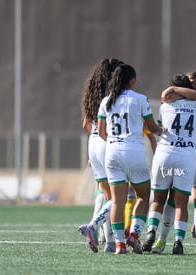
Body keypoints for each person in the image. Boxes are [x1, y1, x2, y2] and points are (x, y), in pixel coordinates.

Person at [143, 71, 196, 255]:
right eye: (193, 83)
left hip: (192, 153)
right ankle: (164, 241)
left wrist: (173, 90)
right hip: (187, 155)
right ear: (187, 84)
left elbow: (160, 123)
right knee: (175, 201)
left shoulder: (190, 100)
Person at [98, 64, 163, 254]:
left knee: (117, 201)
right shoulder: (140, 99)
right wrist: (162, 130)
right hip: (134, 152)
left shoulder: (106, 101)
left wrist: (115, 144)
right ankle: (134, 236)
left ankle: (119, 244)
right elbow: (151, 127)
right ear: (132, 80)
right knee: (143, 196)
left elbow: (102, 132)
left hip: (112, 153)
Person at [78, 57, 124, 253]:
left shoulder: (93, 92)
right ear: (113, 73)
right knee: (119, 195)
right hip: (107, 142)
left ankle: (109, 242)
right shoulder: (112, 94)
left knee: (105, 194)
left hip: (94, 142)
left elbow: (86, 124)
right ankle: (94, 226)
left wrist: (95, 147)